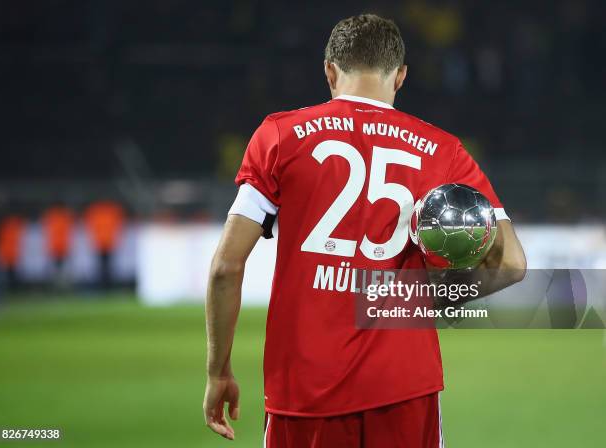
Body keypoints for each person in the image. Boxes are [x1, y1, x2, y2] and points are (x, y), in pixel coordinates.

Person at [204, 14, 526, 447]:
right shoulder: (444, 151)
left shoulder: (279, 135)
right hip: (405, 388)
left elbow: (226, 266)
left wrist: (218, 370)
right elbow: (511, 264)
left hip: (304, 390)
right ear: (401, 77)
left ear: (330, 71)